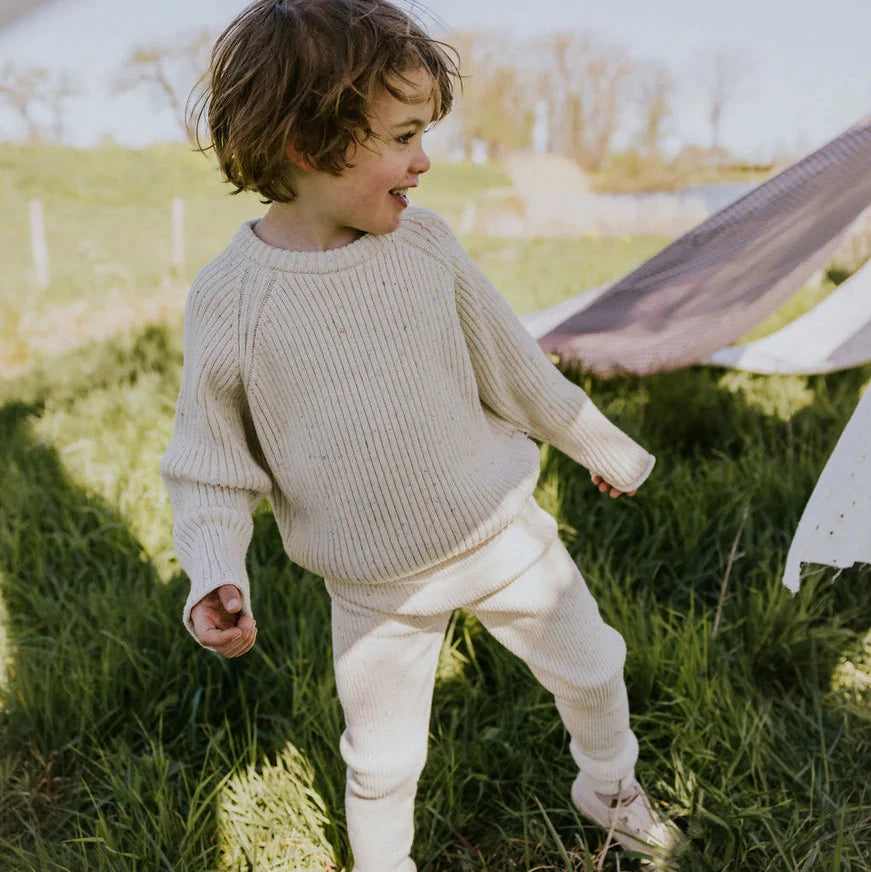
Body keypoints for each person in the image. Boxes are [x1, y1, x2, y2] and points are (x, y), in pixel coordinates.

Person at [160, 1, 681, 869]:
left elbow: (514, 368)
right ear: (309, 143)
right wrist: (215, 571)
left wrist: (603, 447)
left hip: (503, 538)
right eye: (404, 136)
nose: (424, 159)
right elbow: (209, 466)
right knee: (382, 759)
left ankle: (608, 784)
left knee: (593, 668)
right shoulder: (231, 299)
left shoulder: (428, 248)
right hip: (372, 587)